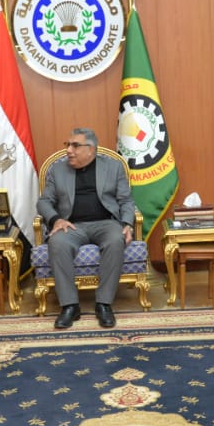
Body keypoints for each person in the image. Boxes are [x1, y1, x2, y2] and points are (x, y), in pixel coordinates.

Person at [37, 127, 135, 329]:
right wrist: (56, 219)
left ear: (90, 149)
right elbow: (44, 202)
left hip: (106, 223)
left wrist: (127, 223)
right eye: (68, 145)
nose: (68, 150)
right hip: (72, 225)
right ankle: (70, 306)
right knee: (57, 242)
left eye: (75, 146)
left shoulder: (113, 167)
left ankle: (104, 304)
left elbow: (126, 200)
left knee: (116, 239)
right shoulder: (58, 170)